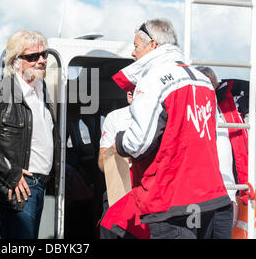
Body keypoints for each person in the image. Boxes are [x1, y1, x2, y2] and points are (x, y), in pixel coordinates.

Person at [109, 18, 231, 239]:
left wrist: (119, 142)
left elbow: (139, 143)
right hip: (211, 195)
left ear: (153, 45)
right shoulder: (203, 80)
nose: (132, 53)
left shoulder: (154, 78)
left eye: (136, 46)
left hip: (172, 197)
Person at [0, 29, 61, 239]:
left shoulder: (41, 90)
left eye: (44, 55)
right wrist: (11, 172)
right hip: (18, 187)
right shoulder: (2, 92)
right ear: (16, 62)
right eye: (33, 57)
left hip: (39, 186)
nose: (41, 61)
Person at [195, 66, 256, 238]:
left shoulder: (228, 111)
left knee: (222, 234)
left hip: (227, 193)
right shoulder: (192, 111)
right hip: (198, 195)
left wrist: (225, 85)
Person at [98, 91, 150, 239]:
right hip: (118, 195)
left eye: (135, 84)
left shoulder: (162, 115)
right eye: (127, 86)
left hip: (149, 197)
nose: (129, 90)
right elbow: (102, 163)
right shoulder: (115, 117)